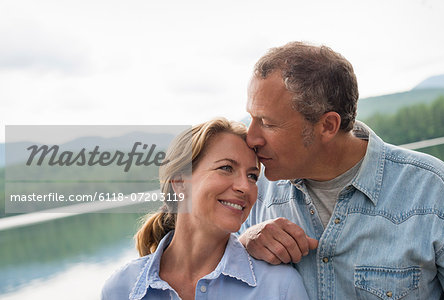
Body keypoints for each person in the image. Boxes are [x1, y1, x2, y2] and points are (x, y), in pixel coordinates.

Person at [238, 42, 444, 299]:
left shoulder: (433, 190)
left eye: (267, 123)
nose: (251, 138)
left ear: (327, 125)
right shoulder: (251, 190)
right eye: (250, 118)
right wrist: (244, 245)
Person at [101, 118, 309, 300]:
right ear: (180, 182)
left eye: (252, 176)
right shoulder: (120, 289)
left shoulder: (280, 288)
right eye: (226, 168)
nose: (245, 187)